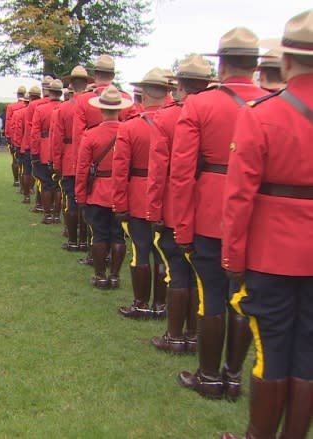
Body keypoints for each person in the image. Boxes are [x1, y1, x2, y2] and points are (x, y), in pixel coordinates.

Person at [220, 11, 313, 439]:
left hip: (272, 254)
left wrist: (233, 258)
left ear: (287, 63)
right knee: (308, 354)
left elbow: (239, 197)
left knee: (272, 351)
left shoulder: (261, 115)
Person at [170, 27, 267, 401]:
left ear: (221, 64)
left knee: (212, 294)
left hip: (210, 210)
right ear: (255, 63)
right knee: (242, 297)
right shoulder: (272, 102)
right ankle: (234, 374)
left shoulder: (199, 105)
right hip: (256, 214)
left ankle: (209, 376)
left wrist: (182, 223)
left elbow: (181, 173)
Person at [147, 55, 213, 354]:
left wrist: (154, 211)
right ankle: (196, 335)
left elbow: (159, 171)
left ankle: (175, 336)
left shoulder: (166, 118)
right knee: (204, 278)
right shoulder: (234, 111)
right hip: (213, 211)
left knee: (177, 271)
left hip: (176, 206)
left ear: (180, 85)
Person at [113, 68, 174, 319]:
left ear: (144, 93)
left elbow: (120, 170)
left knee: (140, 250)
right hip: (167, 195)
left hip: (138, 194)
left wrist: (119, 203)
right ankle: (160, 305)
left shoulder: (129, 128)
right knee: (162, 253)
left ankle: (140, 304)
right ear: (167, 93)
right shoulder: (176, 121)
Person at [74, 85, 129, 289]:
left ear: (101, 109)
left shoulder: (90, 135)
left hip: (97, 192)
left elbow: (82, 169)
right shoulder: (128, 131)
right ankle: (114, 276)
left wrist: (80, 195)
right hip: (122, 191)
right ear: (120, 108)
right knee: (118, 235)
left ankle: (100, 275)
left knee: (99, 234)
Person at [54, 65, 93, 252]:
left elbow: (57, 139)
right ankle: (85, 240)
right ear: (87, 83)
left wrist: (56, 162)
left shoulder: (63, 109)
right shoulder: (94, 104)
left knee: (72, 200)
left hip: (69, 157)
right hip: (91, 156)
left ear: (70, 84)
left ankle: (73, 240)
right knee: (86, 202)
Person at [31, 79, 63, 224]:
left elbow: (34, 133)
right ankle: (57, 214)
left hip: (44, 149)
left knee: (46, 183)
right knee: (58, 185)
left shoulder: (41, 109)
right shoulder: (65, 107)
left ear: (49, 92)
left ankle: (48, 214)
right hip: (61, 149)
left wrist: (35, 153)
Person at [5, 85, 26, 186]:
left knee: (15, 159)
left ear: (17, 95)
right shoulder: (28, 105)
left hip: (15, 136)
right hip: (26, 136)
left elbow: (8, 123)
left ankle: (16, 180)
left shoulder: (11, 106)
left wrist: (8, 136)